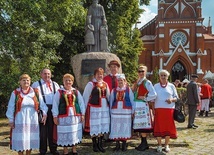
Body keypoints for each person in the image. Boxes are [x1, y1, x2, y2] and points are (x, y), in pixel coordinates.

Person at [6, 74, 48, 155]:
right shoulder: (15, 93)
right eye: (24, 80)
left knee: (30, 139)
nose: (26, 82)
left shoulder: (35, 92)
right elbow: (11, 107)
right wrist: (11, 119)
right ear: (20, 82)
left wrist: (44, 114)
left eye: (28, 80)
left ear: (30, 81)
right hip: (20, 119)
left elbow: (42, 105)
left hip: (32, 119)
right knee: (20, 139)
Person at [52, 74, 85, 155]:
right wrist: (55, 116)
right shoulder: (59, 92)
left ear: (72, 82)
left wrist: (83, 114)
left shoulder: (76, 92)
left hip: (75, 116)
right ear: (63, 81)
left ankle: (74, 149)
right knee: (65, 133)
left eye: (69, 80)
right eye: (66, 80)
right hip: (64, 116)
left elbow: (81, 103)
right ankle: (65, 150)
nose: (68, 82)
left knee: (74, 132)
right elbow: (55, 104)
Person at [31, 68, 60, 155]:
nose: (47, 75)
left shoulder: (55, 84)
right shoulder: (36, 84)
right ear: (41, 74)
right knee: (42, 131)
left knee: (53, 130)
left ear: (51, 75)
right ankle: (43, 150)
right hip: (41, 109)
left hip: (53, 109)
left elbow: (58, 98)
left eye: (48, 74)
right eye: (45, 74)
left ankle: (53, 148)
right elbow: (33, 98)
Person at [83, 67, 110, 153]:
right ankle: (94, 144)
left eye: (101, 74)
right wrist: (84, 109)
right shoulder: (91, 84)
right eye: (98, 74)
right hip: (94, 107)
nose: (100, 76)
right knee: (95, 125)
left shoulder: (105, 84)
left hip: (104, 107)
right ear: (95, 75)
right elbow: (85, 96)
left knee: (102, 125)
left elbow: (108, 96)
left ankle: (100, 144)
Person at [132, 65, 157, 151]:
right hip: (137, 105)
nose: (141, 73)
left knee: (143, 125)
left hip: (142, 105)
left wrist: (145, 98)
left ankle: (144, 143)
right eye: (139, 71)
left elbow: (154, 94)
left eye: (143, 71)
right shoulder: (138, 82)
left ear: (146, 72)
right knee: (139, 125)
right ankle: (143, 143)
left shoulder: (147, 82)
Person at [153, 70, 179, 153]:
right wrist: (153, 109)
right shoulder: (155, 86)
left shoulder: (171, 86)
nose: (163, 77)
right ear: (159, 77)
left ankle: (166, 145)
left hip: (169, 110)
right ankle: (159, 145)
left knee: (168, 127)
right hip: (159, 110)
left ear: (168, 77)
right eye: (161, 75)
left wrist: (171, 99)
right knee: (159, 127)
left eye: (165, 75)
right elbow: (152, 99)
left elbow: (176, 98)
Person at [109, 74, 135, 152]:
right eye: (119, 80)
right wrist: (110, 111)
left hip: (126, 111)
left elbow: (132, 100)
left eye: (122, 80)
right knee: (116, 126)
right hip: (115, 111)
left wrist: (133, 111)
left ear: (124, 81)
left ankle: (124, 144)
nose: (120, 82)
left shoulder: (128, 90)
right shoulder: (114, 90)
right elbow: (111, 101)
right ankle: (117, 144)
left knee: (125, 126)